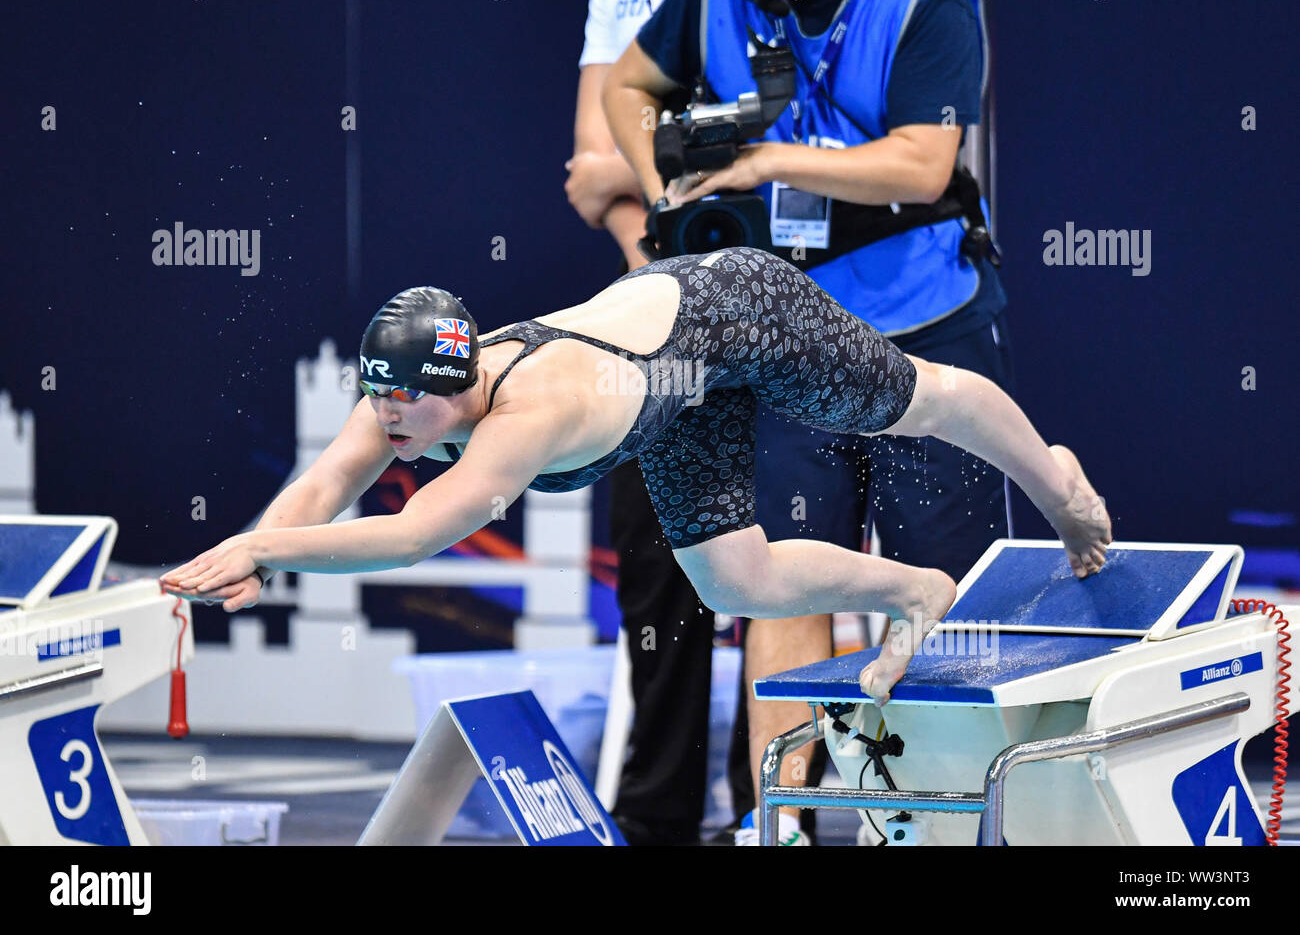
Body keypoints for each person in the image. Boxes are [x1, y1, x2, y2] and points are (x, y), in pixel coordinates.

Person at [162, 247, 1112, 715]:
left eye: (406, 411)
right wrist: (263, 554)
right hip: (668, 394)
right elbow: (323, 482)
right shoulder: (407, 402)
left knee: (920, 402)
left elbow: (415, 536)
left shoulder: (525, 417)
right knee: (731, 581)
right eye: (381, 407)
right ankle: (914, 589)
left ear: (459, 391)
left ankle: (1058, 486)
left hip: (735, 314)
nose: (387, 428)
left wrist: (257, 547)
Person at [601, 0, 1011, 844]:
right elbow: (627, 85)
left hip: (924, 329)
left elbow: (922, 160)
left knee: (937, 590)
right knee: (776, 586)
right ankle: (775, 823)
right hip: (787, 343)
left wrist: (768, 160)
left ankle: (933, 829)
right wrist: (661, 180)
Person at [565, 0, 732, 847]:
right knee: (657, 559)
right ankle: (658, 811)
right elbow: (589, 169)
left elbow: (621, 162)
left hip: (793, 301)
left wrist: (641, 165)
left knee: (788, 566)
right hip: (656, 307)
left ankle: (768, 801)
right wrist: (669, 274)